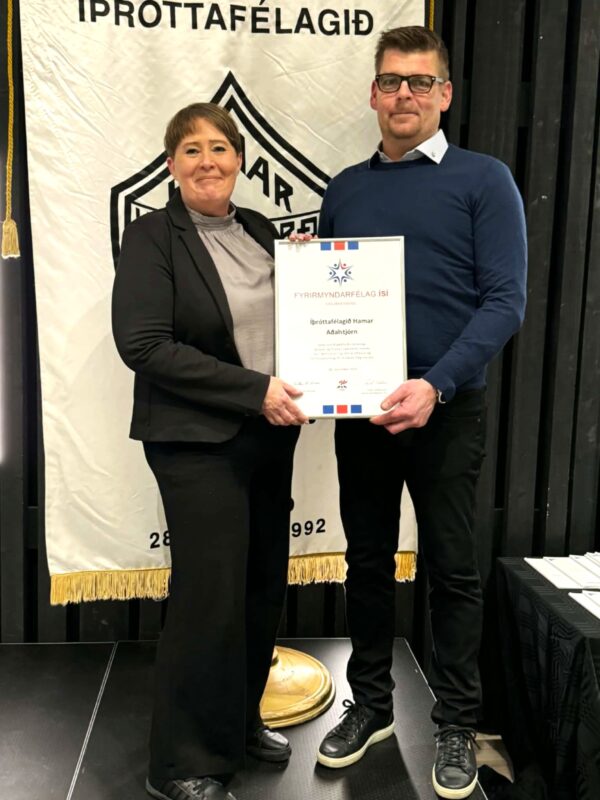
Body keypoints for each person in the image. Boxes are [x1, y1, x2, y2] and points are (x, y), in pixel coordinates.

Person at [314, 26, 527, 799]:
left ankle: (457, 724)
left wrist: (434, 384)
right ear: (373, 94)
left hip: (447, 408)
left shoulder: (485, 180)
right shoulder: (344, 188)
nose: (405, 94)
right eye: (391, 81)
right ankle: (371, 705)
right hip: (362, 412)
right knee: (366, 561)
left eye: (421, 81)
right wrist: (310, 277)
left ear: (445, 94)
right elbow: (327, 298)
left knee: (452, 569)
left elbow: (505, 302)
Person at [112, 102, 308, 800]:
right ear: (172, 165)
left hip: (270, 435)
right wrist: (254, 391)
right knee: (209, 597)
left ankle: (238, 722)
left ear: (239, 160)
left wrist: (310, 281)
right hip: (196, 441)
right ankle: (181, 762)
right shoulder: (151, 236)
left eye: (220, 148)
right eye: (191, 149)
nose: (207, 161)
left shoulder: (258, 229)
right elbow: (144, 346)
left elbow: (292, 319)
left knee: (259, 587)